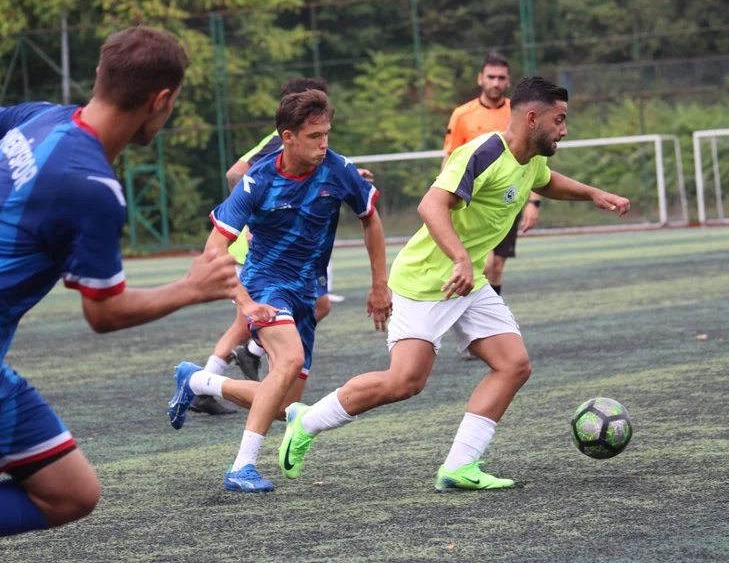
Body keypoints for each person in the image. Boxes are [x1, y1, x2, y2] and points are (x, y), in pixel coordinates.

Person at [0, 27, 241, 562]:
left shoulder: (40, 118)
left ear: (99, 78)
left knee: (71, 494)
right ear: (162, 101)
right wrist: (191, 287)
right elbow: (103, 313)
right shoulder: (92, 188)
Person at [277, 77, 631, 491]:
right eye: (560, 120)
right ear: (532, 118)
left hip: (468, 281)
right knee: (405, 382)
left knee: (513, 364)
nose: (564, 130)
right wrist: (460, 258)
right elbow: (430, 204)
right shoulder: (481, 153)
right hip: (428, 280)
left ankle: (460, 466)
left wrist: (593, 194)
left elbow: (544, 180)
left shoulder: (530, 157)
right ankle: (308, 420)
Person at [167, 89, 392, 493]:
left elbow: (369, 219)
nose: (324, 144)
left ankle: (198, 381)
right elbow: (213, 251)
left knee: (284, 409)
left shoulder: (339, 170)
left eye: (326, 134)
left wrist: (380, 284)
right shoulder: (258, 182)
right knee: (289, 360)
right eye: (314, 137)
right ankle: (241, 468)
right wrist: (247, 302)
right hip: (266, 283)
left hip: (307, 292)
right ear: (287, 137)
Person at [189, 77, 375, 415]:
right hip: (265, 252)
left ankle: (219, 374)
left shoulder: (323, 156)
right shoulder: (275, 145)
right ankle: (208, 383)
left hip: (302, 261)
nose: (322, 136)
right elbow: (239, 174)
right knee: (247, 324)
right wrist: (251, 214)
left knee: (287, 395)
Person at [443, 52, 541, 299]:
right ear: (480, 79)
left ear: (508, 81)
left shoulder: (519, 113)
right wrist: (443, 194)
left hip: (509, 199)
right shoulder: (462, 114)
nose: (495, 83)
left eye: (501, 78)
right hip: (473, 202)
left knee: (496, 267)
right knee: (483, 265)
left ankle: (492, 317)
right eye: (491, 77)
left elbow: (533, 159)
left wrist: (533, 201)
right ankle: (474, 314)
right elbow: (450, 157)